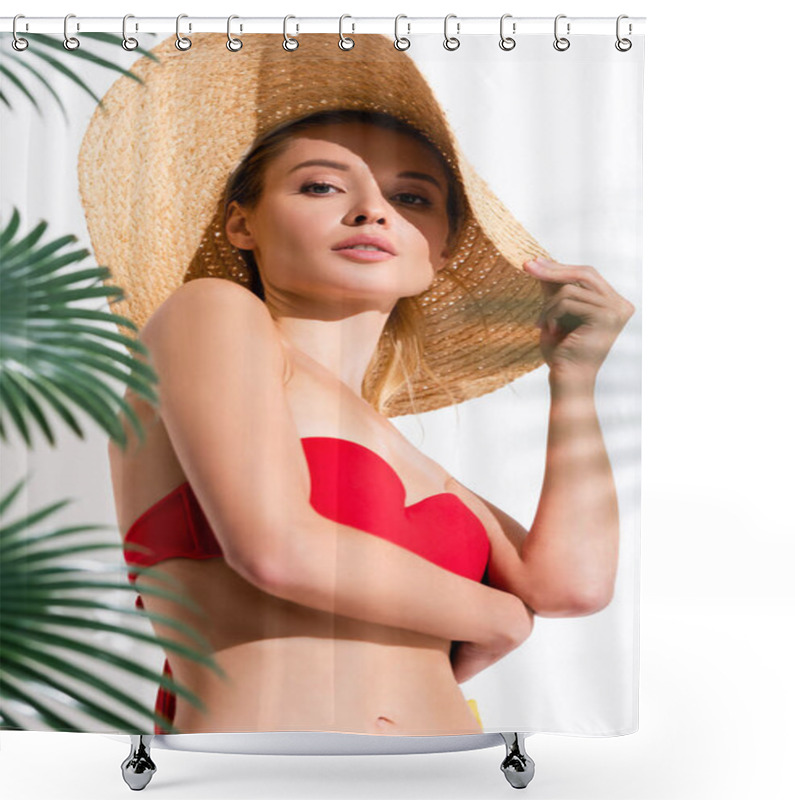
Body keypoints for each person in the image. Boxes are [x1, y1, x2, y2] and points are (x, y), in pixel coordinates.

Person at [80, 33, 634, 737]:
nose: (373, 211)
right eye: (321, 185)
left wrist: (575, 379)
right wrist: (498, 616)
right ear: (240, 222)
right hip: (258, 777)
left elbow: (571, 588)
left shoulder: (408, 455)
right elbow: (278, 550)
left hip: (452, 772)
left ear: (439, 250)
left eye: (411, 197)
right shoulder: (210, 311)